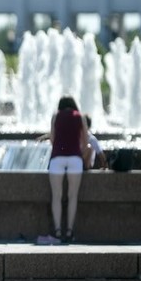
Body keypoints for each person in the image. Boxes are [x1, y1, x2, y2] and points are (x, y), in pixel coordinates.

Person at [47, 95, 88, 242]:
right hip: (75, 159)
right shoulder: (80, 117)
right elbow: (86, 140)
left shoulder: (55, 116)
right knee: (72, 197)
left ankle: (58, 231)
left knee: (56, 197)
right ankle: (69, 231)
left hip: (57, 158)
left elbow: (52, 138)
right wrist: (79, 151)